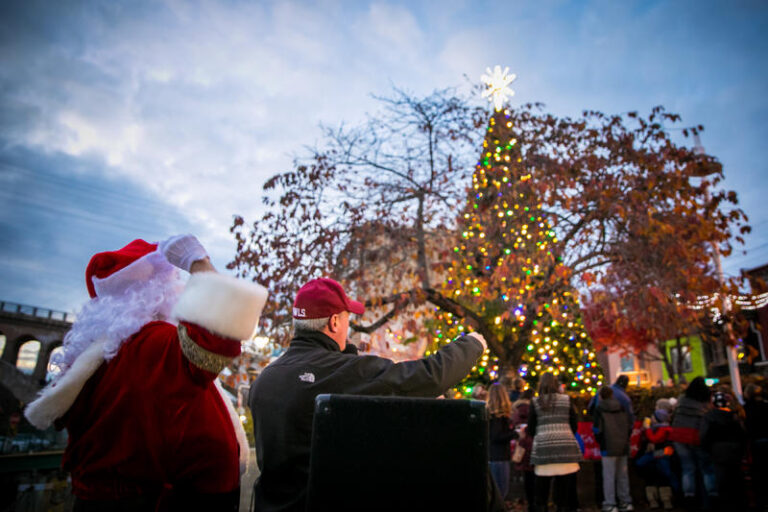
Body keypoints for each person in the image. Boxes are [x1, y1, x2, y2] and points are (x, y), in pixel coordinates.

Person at [24, 235, 267, 510]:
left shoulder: (94, 358)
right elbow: (216, 342)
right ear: (160, 290)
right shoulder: (153, 341)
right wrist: (199, 264)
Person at [248, 277, 490, 512]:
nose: (348, 327)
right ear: (334, 322)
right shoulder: (347, 372)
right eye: (347, 320)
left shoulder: (264, 380)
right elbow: (427, 377)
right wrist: (472, 343)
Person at [528, 372, 582, 512]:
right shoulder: (566, 400)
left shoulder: (536, 402)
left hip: (543, 449)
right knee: (565, 495)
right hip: (566, 448)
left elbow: (531, 428)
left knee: (541, 494)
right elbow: (574, 424)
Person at [669, 376, 716, 511]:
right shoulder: (705, 402)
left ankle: (689, 496)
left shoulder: (682, 399)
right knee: (706, 468)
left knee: (687, 469)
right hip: (696, 434)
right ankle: (711, 494)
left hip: (679, 435)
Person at [700, 391, 746, 511]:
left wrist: (708, 448)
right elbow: (741, 434)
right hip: (735, 451)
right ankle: (739, 503)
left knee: (722, 480)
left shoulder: (709, 417)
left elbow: (704, 436)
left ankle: (726, 504)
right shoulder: (733, 416)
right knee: (736, 479)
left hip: (718, 451)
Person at [594, 386, 633, 512]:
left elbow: (598, 430)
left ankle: (610, 503)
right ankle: (625, 501)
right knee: (623, 475)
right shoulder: (621, 407)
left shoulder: (599, 409)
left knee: (609, 476)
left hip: (608, 445)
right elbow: (629, 425)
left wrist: (601, 441)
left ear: (600, 396)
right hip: (623, 444)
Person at [635, 404, 677, 510]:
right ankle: (654, 498)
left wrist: (647, 429)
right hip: (655, 457)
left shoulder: (663, 429)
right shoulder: (658, 428)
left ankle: (664, 499)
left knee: (663, 475)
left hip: (660, 455)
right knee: (653, 475)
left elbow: (654, 439)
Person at [488, 382, 516, 503]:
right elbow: (497, 436)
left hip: (491, 455)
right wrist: (515, 433)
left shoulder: (488, 415)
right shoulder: (499, 417)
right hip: (500, 457)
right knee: (501, 492)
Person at [744, 383, 768, 511]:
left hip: (755, 443)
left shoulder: (746, 409)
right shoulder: (765, 405)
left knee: (759, 472)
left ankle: (761, 500)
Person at [511, 388, 536, 512]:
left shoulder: (516, 409)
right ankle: (534, 504)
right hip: (532, 446)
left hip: (522, 446)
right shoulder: (531, 409)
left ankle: (530, 503)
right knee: (534, 477)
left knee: (527, 478)